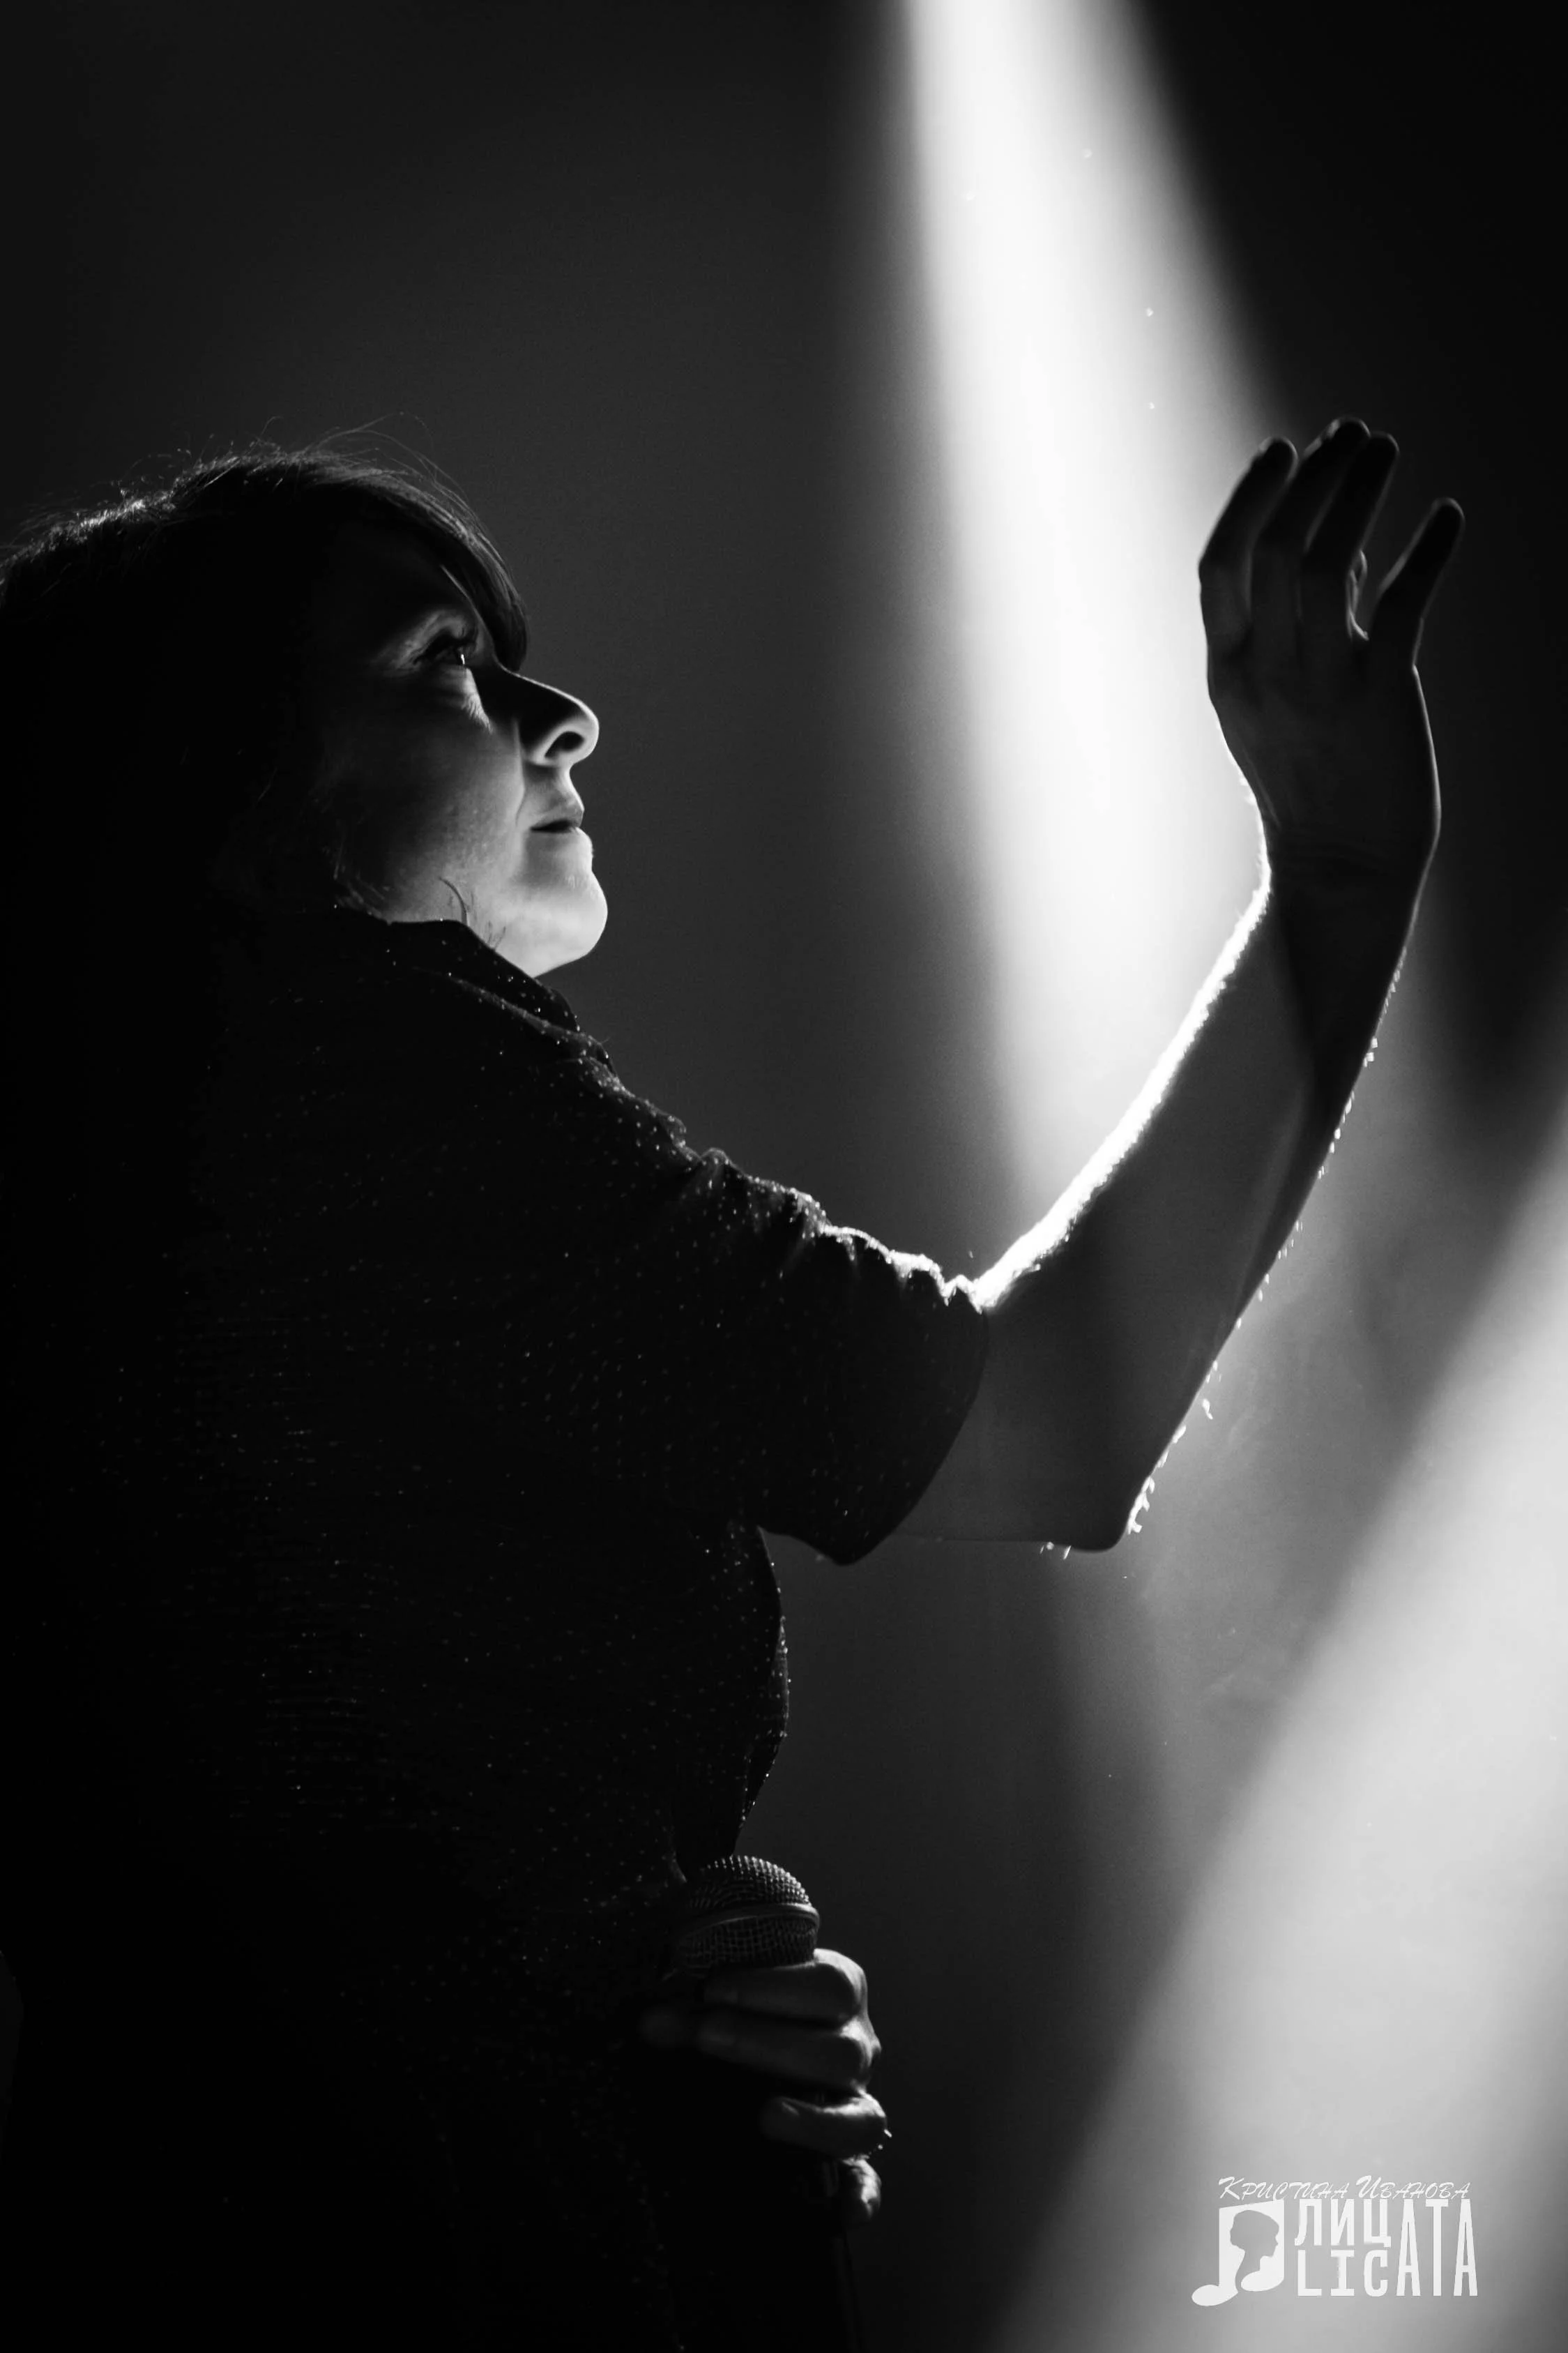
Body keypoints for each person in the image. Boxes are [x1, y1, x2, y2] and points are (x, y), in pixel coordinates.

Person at [0, 422, 1460, 2347]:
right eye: (446, 665)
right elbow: (1051, 1420)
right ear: (225, 802)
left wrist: (636, 1954)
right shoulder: (366, 1085)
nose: (565, 716)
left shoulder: (132, 1182)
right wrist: (1341, 877)